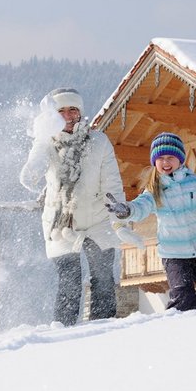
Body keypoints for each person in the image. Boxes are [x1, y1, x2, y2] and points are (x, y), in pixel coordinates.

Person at [20, 88, 127, 326]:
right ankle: (64, 330)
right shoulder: (47, 144)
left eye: (73, 110)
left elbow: (111, 182)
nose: (68, 116)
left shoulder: (98, 142)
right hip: (61, 225)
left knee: (102, 276)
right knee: (69, 280)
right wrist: (39, 142)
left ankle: (103, 327)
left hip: (98, 220)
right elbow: (29, 180)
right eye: (61, 112)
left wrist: (120, 214)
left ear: (80, 113)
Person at [105, 132, 196, 311]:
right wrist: (127, 211)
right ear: (154, 162)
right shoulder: (154, 190)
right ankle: (177, 333)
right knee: (183, 300)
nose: (165, 162)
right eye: (161, 158)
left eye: (170, 157)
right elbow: (141, 206)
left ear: (180, 159)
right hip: (175, 255)